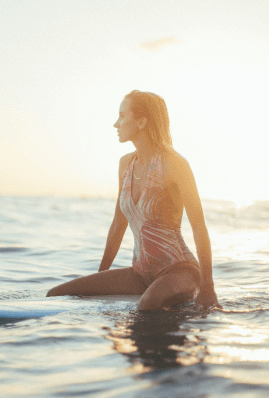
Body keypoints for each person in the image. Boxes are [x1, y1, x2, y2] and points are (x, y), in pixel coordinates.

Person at [46, 90, 220, 311]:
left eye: (121, 115)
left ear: (141, 122)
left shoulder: (174, 164)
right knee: (56, 294)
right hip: (140, 273)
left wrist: (207, 286)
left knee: (146, 305)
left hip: (179, 271)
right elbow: (118, 224)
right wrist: (101, 278)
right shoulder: (126, 164)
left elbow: (198, 226)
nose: (115, 124)